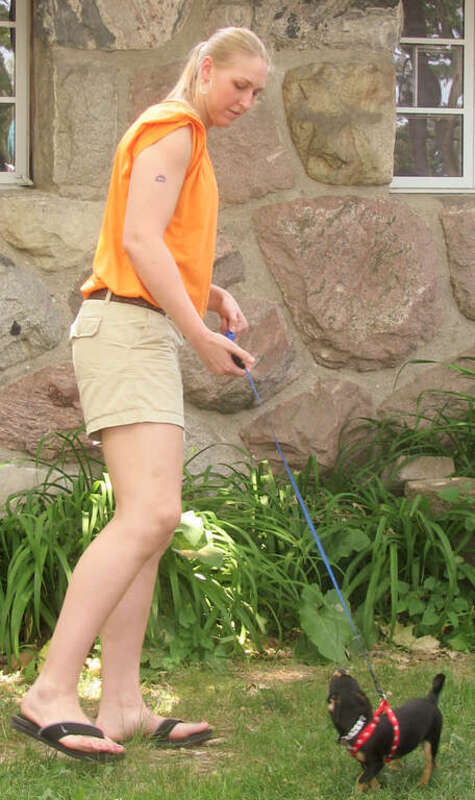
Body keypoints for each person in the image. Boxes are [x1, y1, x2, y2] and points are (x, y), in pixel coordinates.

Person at [11, 26, 270, 761]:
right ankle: (50, 692)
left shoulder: (182, 133)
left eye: (257, 92)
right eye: (238, 84)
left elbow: (158, 242)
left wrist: (206, 292)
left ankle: (122, 703)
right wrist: (200, 335)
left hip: (139, 329)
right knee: (151, 513)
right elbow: (139, 242)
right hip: (127, 332)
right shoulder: (175, 127)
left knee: (151, 523)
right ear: (205, 67)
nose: (246, 101)